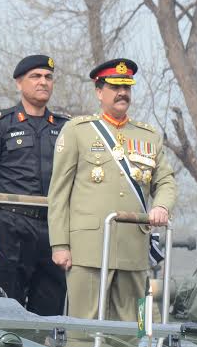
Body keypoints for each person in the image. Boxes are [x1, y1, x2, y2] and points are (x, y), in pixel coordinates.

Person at [48, 58, 175, 321]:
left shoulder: (148, 136)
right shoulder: (78, 131)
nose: (122, 93)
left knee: (136, 325)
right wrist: (60, 244)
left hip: (134, 252)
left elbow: (166, 181)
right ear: (99, 91)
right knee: (83, 328)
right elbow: (59, 193)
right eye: (115, 87)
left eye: (127, 87)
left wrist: (161, 206)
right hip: (87, 250)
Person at [0, 55, 69, 314]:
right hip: (11, 226)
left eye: (48, 77)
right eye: (35, 77)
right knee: (6, 306)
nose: (43, 82)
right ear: (19, 83)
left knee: (50, 308)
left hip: (53, 227)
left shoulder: (65, 127)